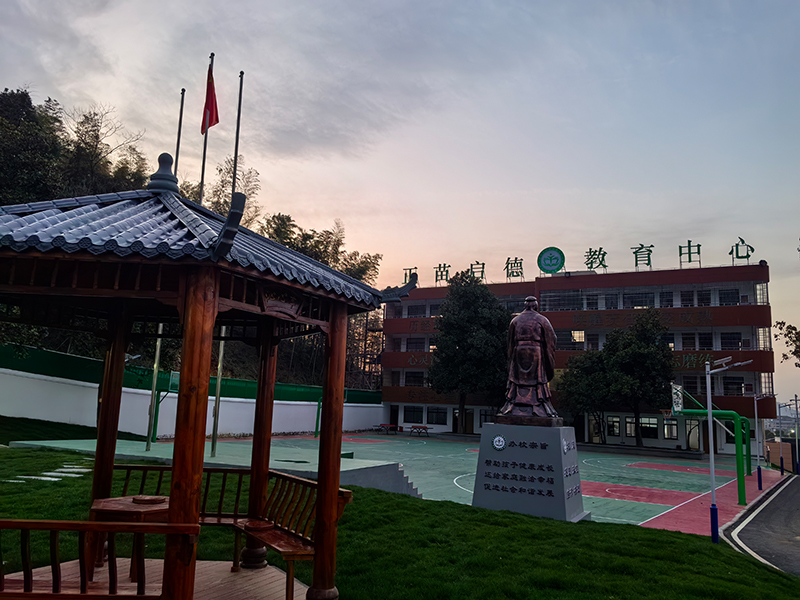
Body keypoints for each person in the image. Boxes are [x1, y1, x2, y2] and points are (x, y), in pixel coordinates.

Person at [499, 296, 558, 418]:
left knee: (518, 379)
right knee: (537, 379)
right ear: (536, 306)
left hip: (518, 352)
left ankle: (514, 403)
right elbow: (552, 339)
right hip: (536, 352)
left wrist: (510, 357)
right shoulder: (542, 320)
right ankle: (539, 404)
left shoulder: (515, 320)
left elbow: (510, 342)